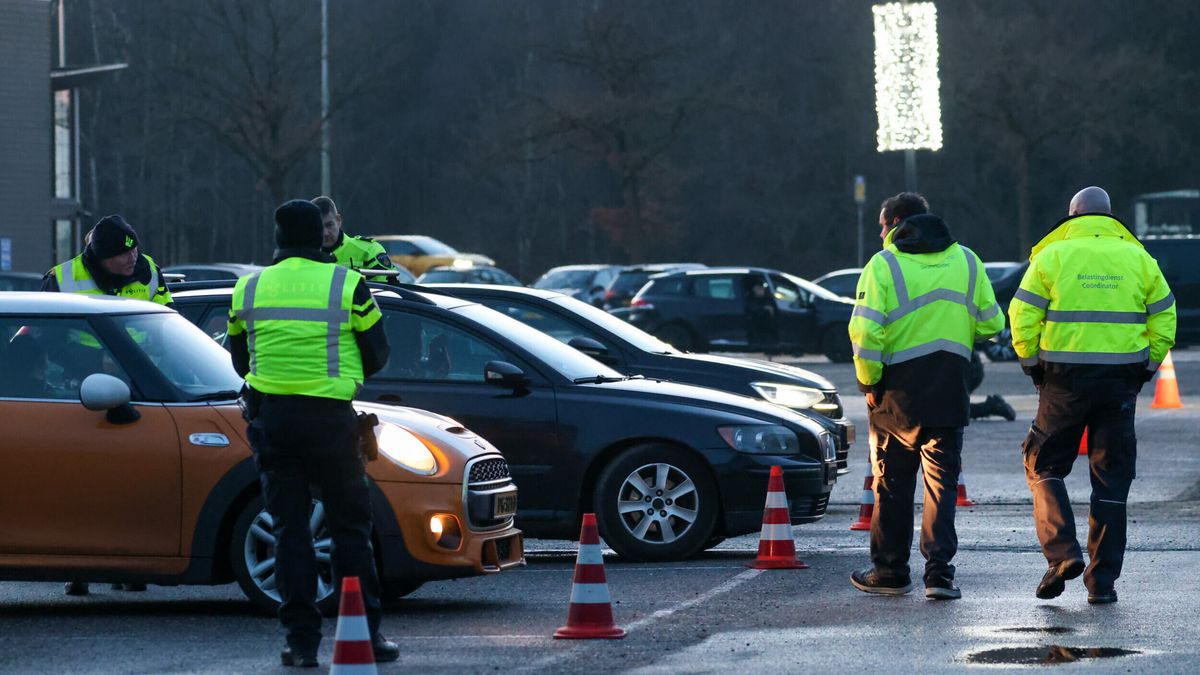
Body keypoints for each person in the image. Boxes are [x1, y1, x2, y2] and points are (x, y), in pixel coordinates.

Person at [227, 200, 397, 668]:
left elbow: (240, 361)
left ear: (278, 238)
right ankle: (365, 634)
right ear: (319, 235)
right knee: (350, 532)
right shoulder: (349, 284)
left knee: (290, 534)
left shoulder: (249, 287)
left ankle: (300, 644)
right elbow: (379, 354)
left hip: (274, 422)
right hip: (332, 423)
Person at [1009, 186, 1175, 604]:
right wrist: (1148, 368)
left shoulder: (1052, 256)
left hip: (1063, 380)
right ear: (1109, 217)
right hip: (1120, 382)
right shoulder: (1139, 258)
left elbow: (1021, 315)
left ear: (1073, 216)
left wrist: (1032, 366)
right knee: (1111, 482)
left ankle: (1062, 554)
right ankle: (1102, 584)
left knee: (1043, 463)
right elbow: (1165, 319)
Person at [848, 192, 1004, 600]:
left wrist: (869, 383)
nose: (880, 233)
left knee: (893, 486)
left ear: (898, 222)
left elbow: (865, 333)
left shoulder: (883, 265)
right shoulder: (968, 260)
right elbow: (992, 323)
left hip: (896, 396)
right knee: (942, 488)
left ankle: (890, 572)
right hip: (950, 389)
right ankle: (939, 575)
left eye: (883, 225)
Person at [43, 214, 168, 596]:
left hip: (136, 387)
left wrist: (138, 363)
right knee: (77, 479)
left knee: (135, 479)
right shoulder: (61, 278)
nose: (133, 260)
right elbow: (46, 339)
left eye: (135, 250)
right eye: (123, 255)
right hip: (76, 391)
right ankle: (77, 565)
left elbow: (166, 325)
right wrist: (94, 364)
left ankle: (131, 565)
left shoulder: (148, 272)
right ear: (101, 258)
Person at [312, 195, 396, 283]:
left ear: (338, 220)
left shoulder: (369, 251)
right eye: (319, 227)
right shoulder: (303, 257)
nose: (325, 233)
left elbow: (389, 290)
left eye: (329, 225)